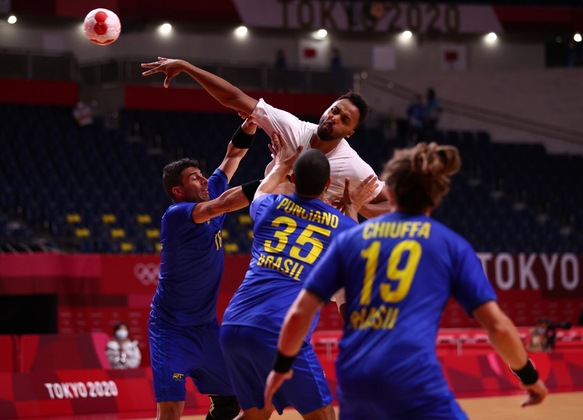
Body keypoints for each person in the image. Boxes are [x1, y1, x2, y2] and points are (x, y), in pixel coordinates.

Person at [265, 142, 548, 419]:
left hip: (356, 380)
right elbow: (497, 327)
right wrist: (529, 375)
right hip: (413, 378)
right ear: (437, 197)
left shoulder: (350, 238)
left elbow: (300, 312)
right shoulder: (450, 245)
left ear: (388, 191)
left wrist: (280, 368)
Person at [220, 144, 377, 419]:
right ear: (328, 184)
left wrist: (283, 163)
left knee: (256, 413)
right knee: (324, 416)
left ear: (292, 179)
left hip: (234, 325)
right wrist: (352, 208)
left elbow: (262, 190)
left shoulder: (268, 206)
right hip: (278, 331)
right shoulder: (340, 224)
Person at [140, 57, 388, 219]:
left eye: (345, 120)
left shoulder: (354, 167)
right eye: (334, 110)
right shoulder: (293, 128)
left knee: (341, 291)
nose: (335, 118)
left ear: (350, 133)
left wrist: (362, 206)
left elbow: (397, 207)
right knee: (224, 202)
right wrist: (186, 66)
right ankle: (192, 223)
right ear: (327, 109)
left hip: (313, 221)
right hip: (272, 199)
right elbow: (235, 98)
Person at [149, 118, 267, 420]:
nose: (204, 181)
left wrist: (251, 123)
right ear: (178, 190)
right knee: (171, 413)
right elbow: (222, 206)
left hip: (205, 327)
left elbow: (232, 156)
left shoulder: (208, 193)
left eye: (202, 176)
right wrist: (277, 179)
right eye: (194, 178)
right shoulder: (177, 215)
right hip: (171, 329)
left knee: (230, 402)